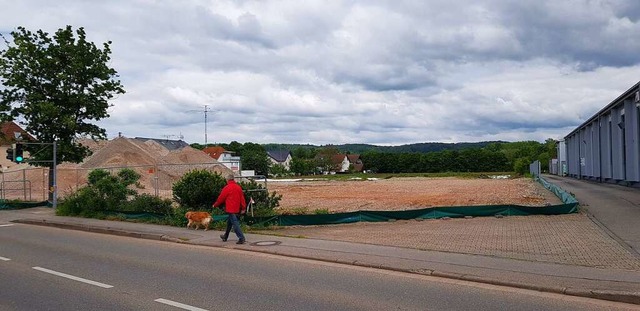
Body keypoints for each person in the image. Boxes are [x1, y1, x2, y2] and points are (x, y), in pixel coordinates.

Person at [213, 173, 247, 244]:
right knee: (230, 223)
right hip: (237, 209)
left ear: (227, 180)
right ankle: (225, 236)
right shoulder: (238, 187)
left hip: (230, 209)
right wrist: (243, 208)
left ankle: (241, 238)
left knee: (235, 224)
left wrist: (215, 205)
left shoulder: (227, 188)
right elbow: (242, 198)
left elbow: (221, 198)